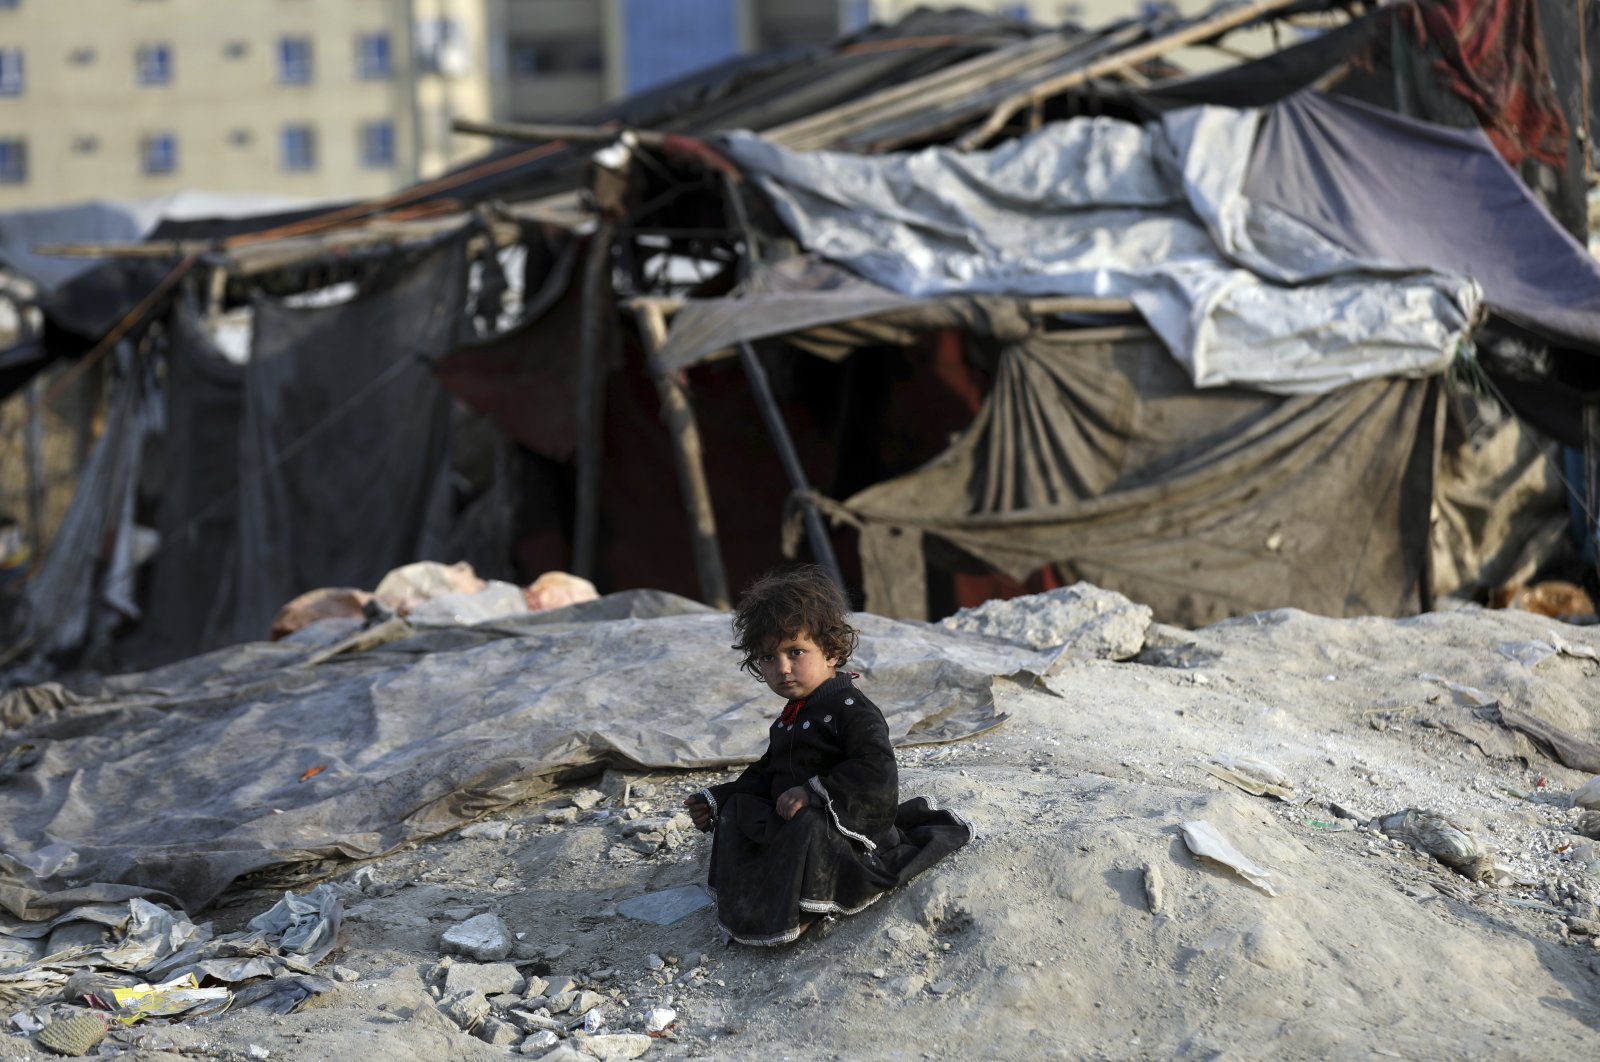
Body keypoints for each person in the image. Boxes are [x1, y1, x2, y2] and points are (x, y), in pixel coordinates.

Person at [684, 565, 973, 946]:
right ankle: (757, 903)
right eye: (768, 658)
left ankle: (805, 906)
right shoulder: (792, 715)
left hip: (842, 833)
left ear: (833, 651)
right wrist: (717, 799)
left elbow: (875, 770)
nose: (782, 668)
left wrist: (814, 792)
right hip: (791, 822)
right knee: (739, 809)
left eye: (796, 652)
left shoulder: (851, 709)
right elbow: (768, 770)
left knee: (805, 822)